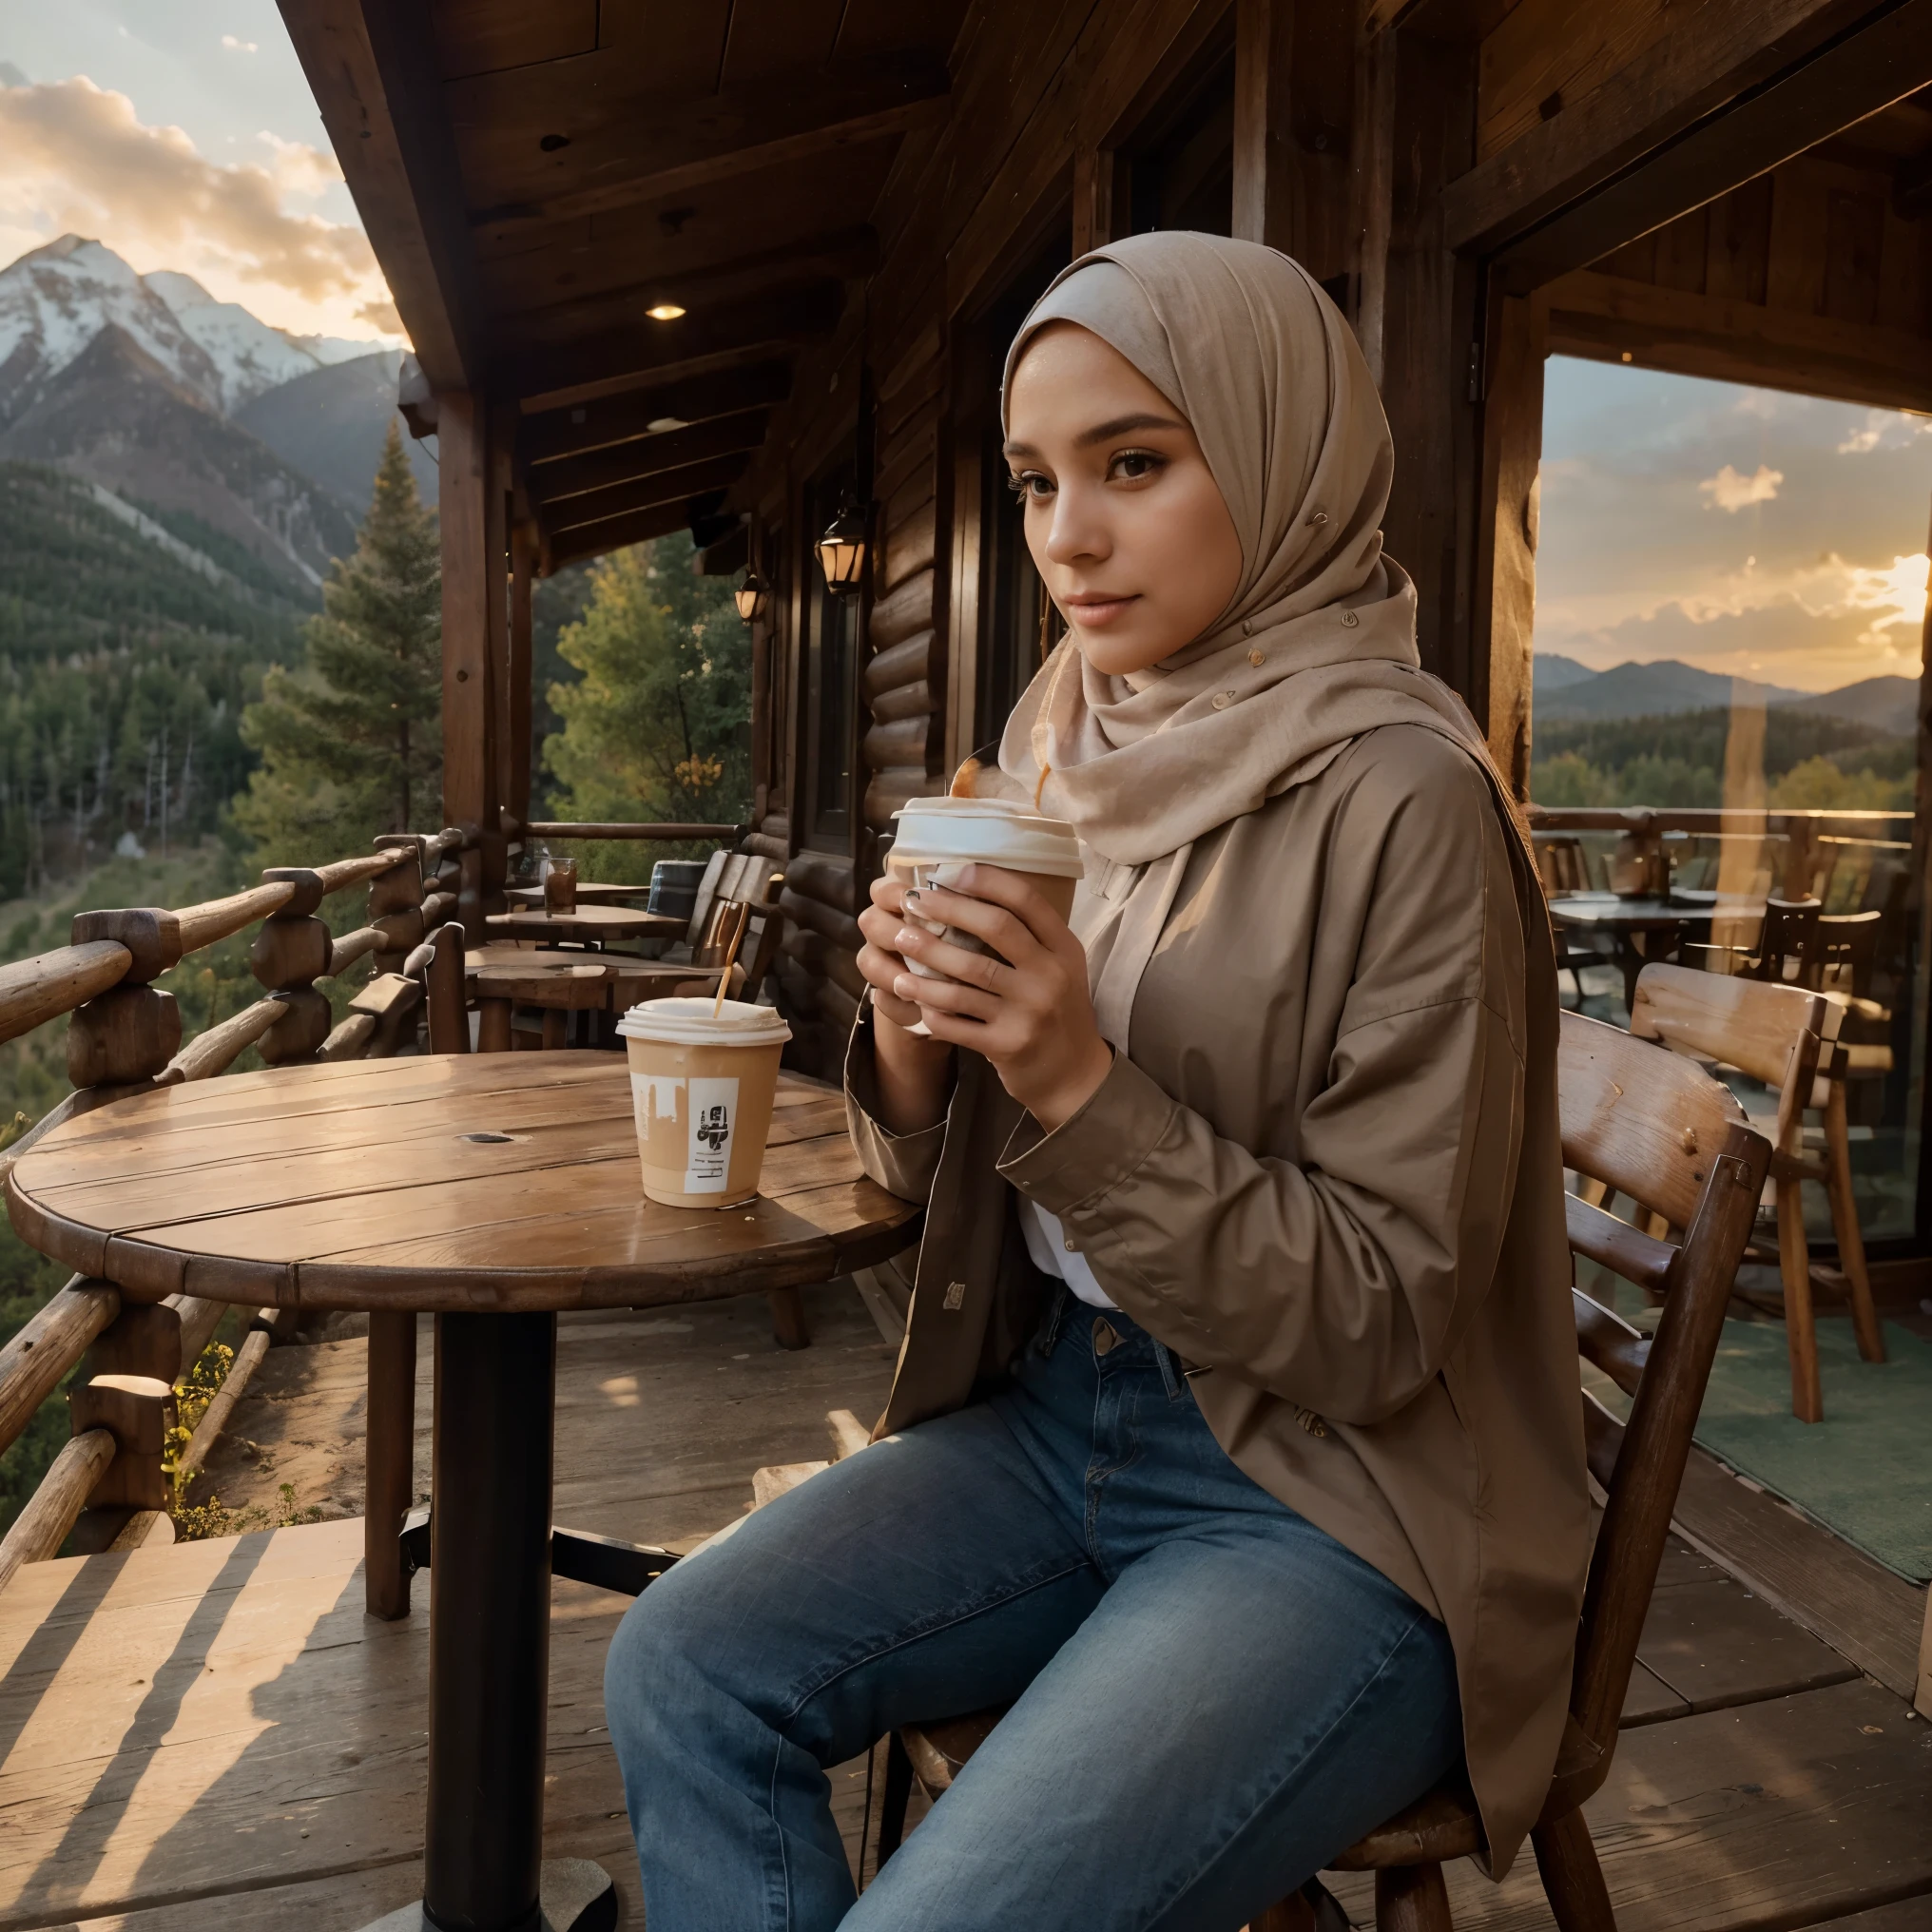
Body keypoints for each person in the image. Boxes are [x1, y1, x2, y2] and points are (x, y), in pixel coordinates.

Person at [603, 231, 1589, 1932]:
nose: (1070, 532)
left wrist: (1072, 1074)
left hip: (1333, 1508)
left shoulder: (1410, 800)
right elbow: (957, 1206)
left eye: (1135, 462)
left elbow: (1378, 1321)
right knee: (683, 1664)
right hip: (1066, 1412)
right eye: (1040, 477)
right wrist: (918, 1043)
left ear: (1283, 457)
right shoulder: (1070, 727)